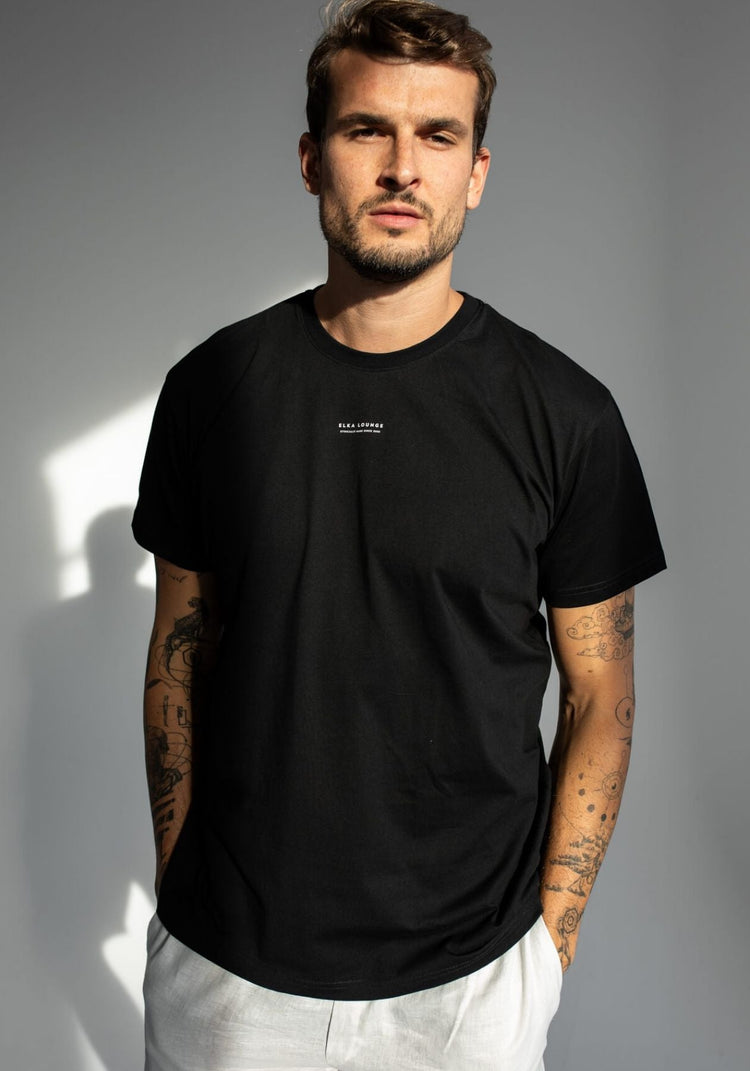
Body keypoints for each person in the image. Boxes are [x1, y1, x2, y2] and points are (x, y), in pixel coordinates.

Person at [133, 2, 666, 1068]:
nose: (401, 168)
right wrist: (183, 872)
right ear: (310, 159)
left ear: (476, 172)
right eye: (366, 129)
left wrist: (549, 946)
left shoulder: (566, 414)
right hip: (228, 973)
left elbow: (601, 692)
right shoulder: (213, 390)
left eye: (438, 135)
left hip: (472, 986)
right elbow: (176, 650)